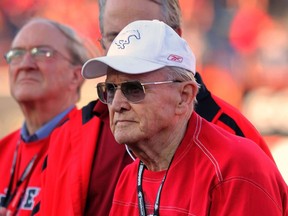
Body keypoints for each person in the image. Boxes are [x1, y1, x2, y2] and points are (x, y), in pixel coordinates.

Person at [36, 0, 277, 215]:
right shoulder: (131, 176)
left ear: (184, 96)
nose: (117, 104)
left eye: (133, 88)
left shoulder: (235, 167)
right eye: (109, 89)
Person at [0, 17, 94, 215]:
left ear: (75, 76)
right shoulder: (3, 149)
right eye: (16, 54)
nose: (26, 64)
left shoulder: (94, 147)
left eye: (42, 53)